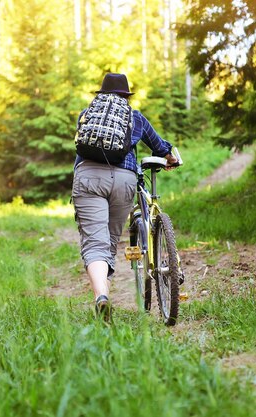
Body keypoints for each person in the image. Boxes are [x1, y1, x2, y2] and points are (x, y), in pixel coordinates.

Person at [71, 73, 178, 322]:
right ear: (126, 96)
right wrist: (171, 158)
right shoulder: (135, 117)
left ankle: (101, 297)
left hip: (88, 177)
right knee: (109, 241)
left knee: (94, 244)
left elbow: (81, 145)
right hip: (124, 180)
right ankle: (104, 295)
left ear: (101, 94)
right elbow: (161, 147)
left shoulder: (88, 114)